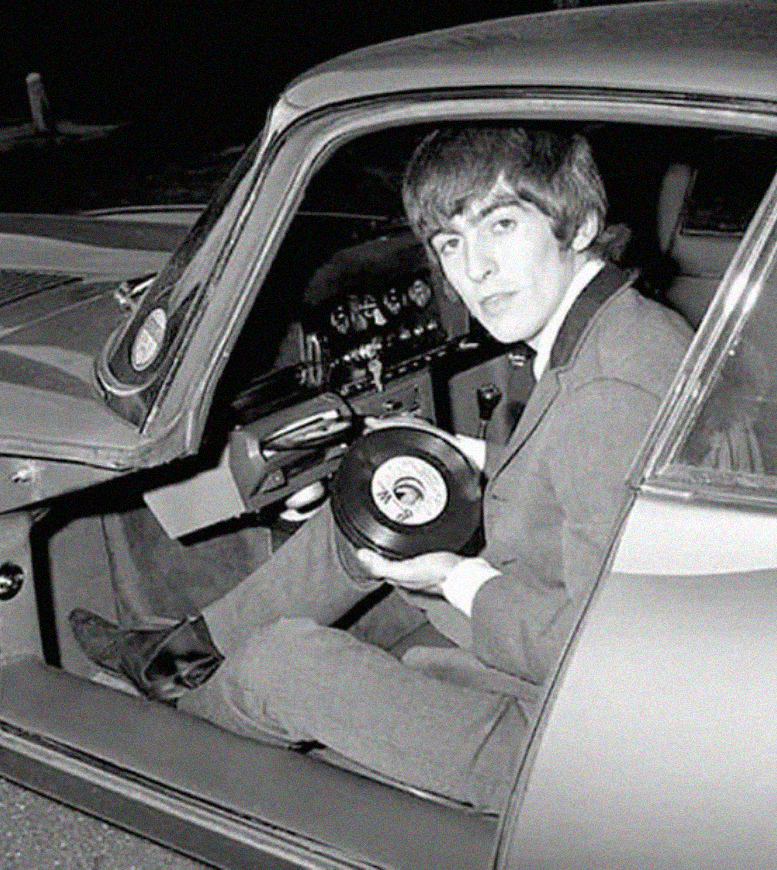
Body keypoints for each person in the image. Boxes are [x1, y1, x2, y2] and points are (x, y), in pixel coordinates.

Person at [70, 125, 692, 813]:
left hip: (571, 746)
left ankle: (153, 719)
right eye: (450, 242)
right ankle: (171, 659)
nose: (475, 270)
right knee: (365, 522)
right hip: (574, 663)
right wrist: (458, 454)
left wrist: (456, 578)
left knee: (280, 664)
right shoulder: (625, 329)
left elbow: (605, 655)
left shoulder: (610, 397)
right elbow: (578, 478)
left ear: (581, 224)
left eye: (502, 225)